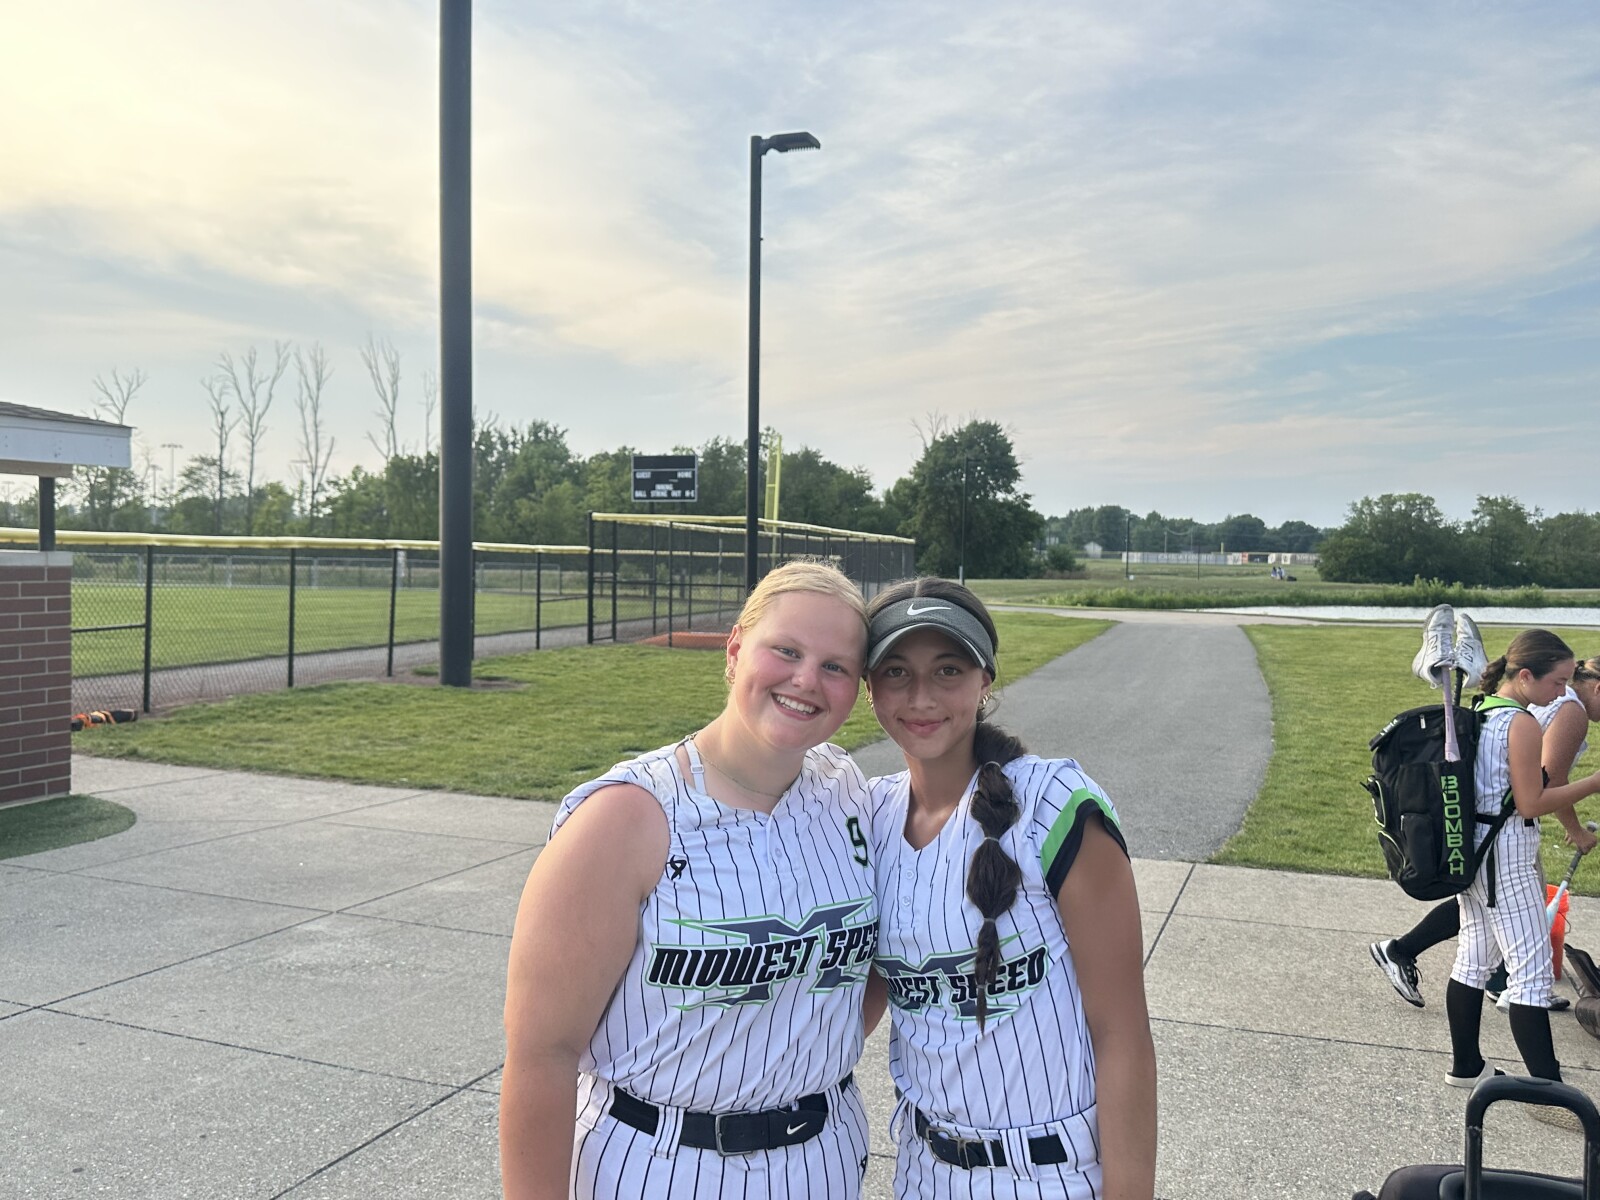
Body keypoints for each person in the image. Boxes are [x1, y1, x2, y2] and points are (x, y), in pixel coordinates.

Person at [501, 561, 879, 1199]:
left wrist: (797, 1060)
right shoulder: (626, 817)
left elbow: (865, 971)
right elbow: (542, 1054)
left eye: (835, 666)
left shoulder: (846, 792)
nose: (806, 680)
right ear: (735, 650)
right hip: (659, 1160)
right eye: (786, 651)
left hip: (823, 1155)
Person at [862, 578, 1157, 1199]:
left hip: (1049, 1174)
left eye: (948, 669)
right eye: (896, 671)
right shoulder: (870, 816)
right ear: (870, 687)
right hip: (920, 1169)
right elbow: (860, 995)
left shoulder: (1052, 804)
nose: (921, 696)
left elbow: (1122, 1032)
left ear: (985, 680)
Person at [1424, 631, 1600, 1132]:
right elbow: (1529, 804)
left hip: (1474, 852)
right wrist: (1593, 783)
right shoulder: (1520, 722)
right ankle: (1550, 1095)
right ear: (1525, 676)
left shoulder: (1482, 709)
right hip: (1508, 858)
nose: (1561, 693)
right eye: (1557, 682)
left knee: (1473, 958)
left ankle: (1466, 1066)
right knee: (1531, 977)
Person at [1370, 653, 1600, 1010]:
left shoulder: (1540, 701)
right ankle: (1513, 988)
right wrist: (1577, 828)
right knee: (1511, 917)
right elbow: (1549, 780)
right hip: (1506, 828)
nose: (1558, 689)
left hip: (1490, 818)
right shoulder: (1572, 712)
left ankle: (1491, 983)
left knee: (1483, 916)